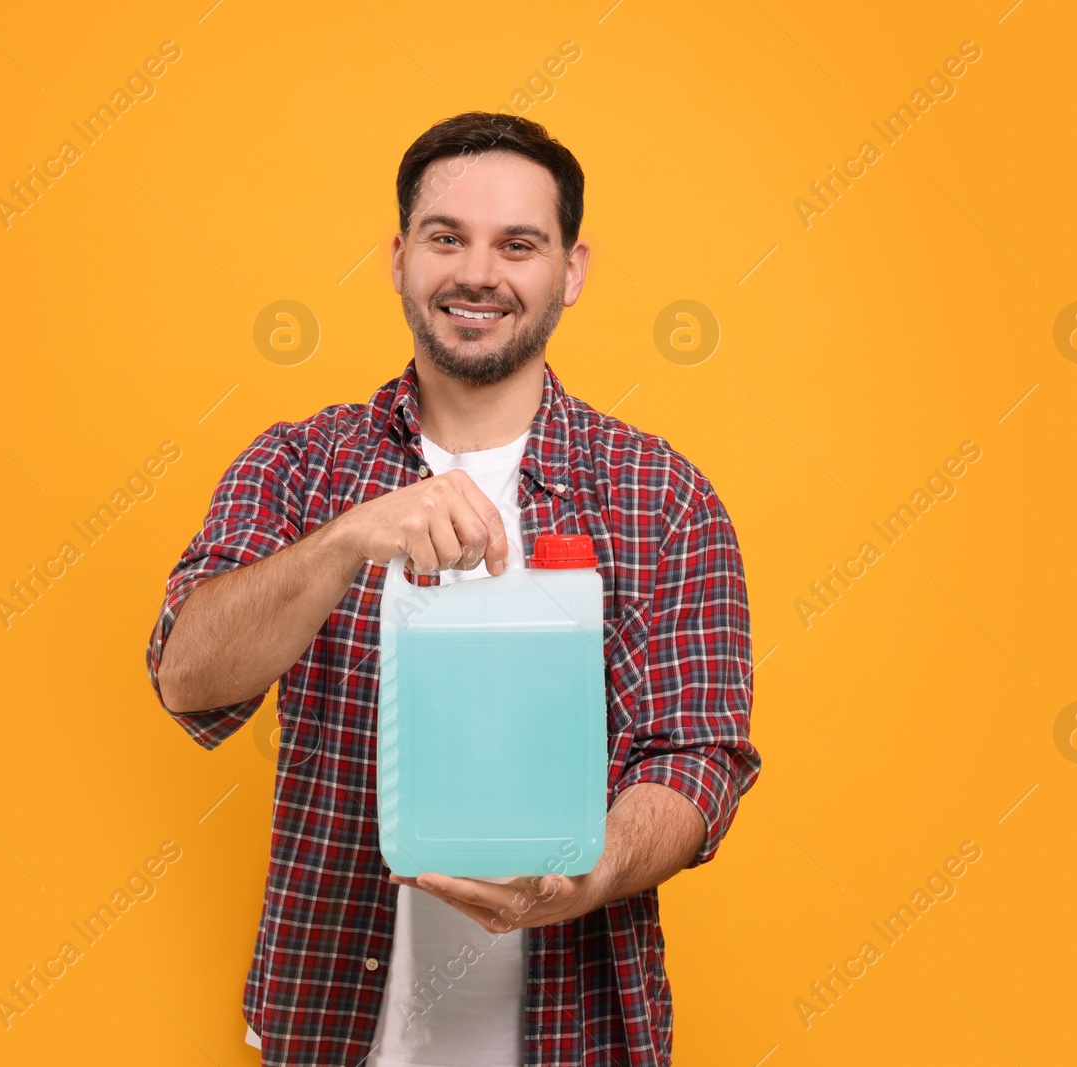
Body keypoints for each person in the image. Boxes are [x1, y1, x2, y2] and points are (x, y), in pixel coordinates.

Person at [145, 111, 759, 1067]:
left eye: (518, 244)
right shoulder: (302, 466)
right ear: (398, 258)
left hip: (575, 1031)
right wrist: (346, 539)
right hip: (331, 1026)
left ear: (573, 269)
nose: (479, 273)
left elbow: (697, 757)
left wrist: (583, 873)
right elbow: (186, 674)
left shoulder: (661, 497)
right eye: (446, 238)